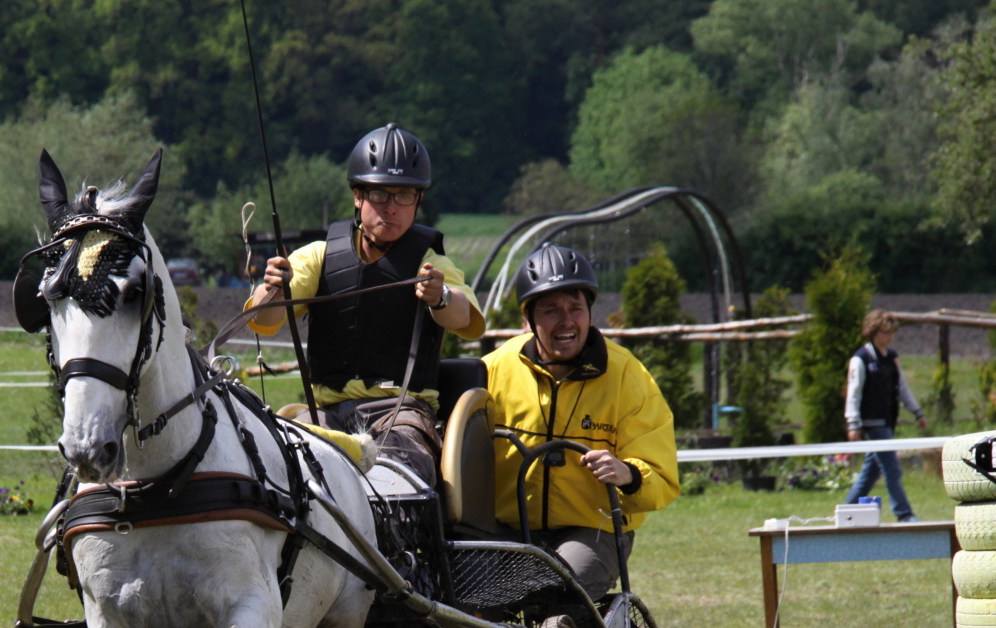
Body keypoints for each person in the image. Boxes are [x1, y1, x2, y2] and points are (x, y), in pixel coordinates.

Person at [245, 123, 485, 486]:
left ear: (418, 199)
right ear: (358, 196)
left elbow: (466, 318)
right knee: (276, 475)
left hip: (401, 414)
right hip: (322, 415)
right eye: (380, 195)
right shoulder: (317, 257)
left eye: (404, 196)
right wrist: (275, 287)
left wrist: (441, 297)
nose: (391, 208)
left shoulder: (432, 262)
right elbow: (264, 320)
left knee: (393, 480)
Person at [483, 244, 679, 600]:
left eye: (576, 308)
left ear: (591, 313)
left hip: (594, 529)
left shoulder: (627, 376)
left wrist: (628, 474)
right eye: (551, 310)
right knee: (464, 603)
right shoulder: (494, 369)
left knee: (558, 593)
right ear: (527, 319)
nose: (567, 321)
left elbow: (661, 475)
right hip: (506, 530)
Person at [844, 310, 927, 522]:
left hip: (888, 422)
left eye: (892, 333)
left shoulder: (891, 358)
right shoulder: (860, 359)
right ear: (873, 332)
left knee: (869, 474)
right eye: (885, 332)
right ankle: (904, 513)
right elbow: (853, 393)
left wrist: (917, 412)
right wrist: (853, 423)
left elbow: (902, 388)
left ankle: (846, 512)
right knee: (892, 469)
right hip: (872, 424)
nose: (889, 337)